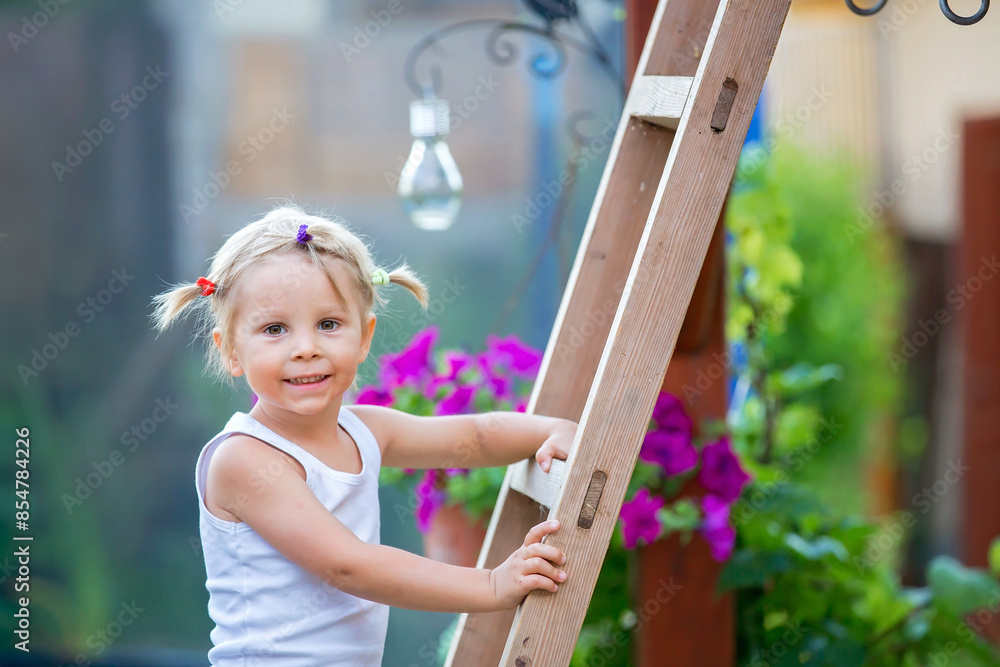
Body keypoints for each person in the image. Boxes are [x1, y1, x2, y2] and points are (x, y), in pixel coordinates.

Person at [150, 204, 575, 666]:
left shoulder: (365, 430)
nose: (306, 348)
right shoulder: (245, 460)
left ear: (364, 337)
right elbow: (348, 565)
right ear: (231, 351)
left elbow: (474, 435)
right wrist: (492, 585)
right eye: (275, 329)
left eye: (328, 324)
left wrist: (551, 431)